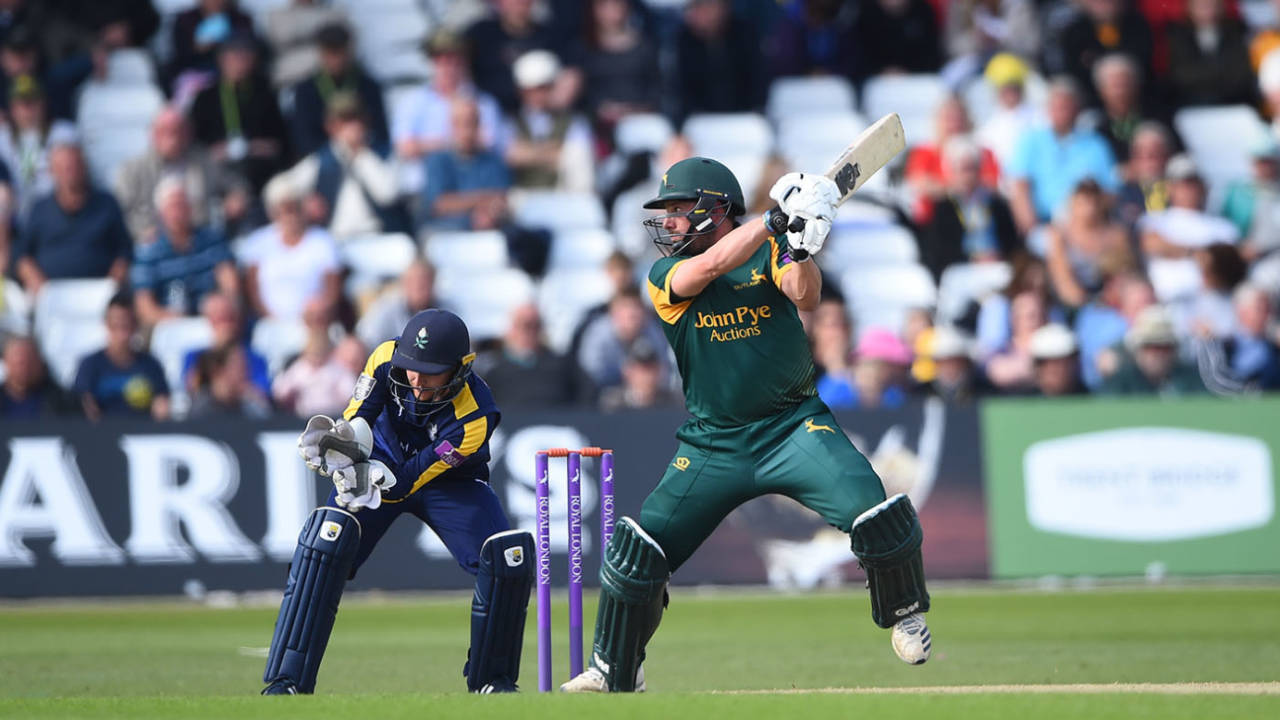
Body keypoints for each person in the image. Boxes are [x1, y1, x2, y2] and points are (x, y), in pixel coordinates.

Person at [560, 157, 932, 693]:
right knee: (638, 550)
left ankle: (904, 611)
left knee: (874, 509)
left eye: (678, 210)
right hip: (715, 442)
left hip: (792, 425)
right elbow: (704, 271)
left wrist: (799, 247)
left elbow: (805, 294)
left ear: (714, 210)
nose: (667, 222)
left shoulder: (772, 247)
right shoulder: (664, 275)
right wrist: (774, 218)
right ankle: (615, 667)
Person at [261, 309, 535, 695]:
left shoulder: (475, 416)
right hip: (380, 458)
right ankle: (287, 681)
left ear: (460, 368)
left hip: (448, 481)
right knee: (325, 544)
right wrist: (347, 451)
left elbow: (412, 479)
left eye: (431, 369)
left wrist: (378, 480)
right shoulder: (384, 357)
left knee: (505, 558)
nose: (416, 378)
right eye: (410, 367)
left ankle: (493, 681)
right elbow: (358, 417)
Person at [115, 107, 249, 243]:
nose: (173, 139)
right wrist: (140, 230)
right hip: (154, 245)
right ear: (153, 135)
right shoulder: (132, 171)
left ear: (188, 134)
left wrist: (236, 197)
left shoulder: (205, 161)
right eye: (165, 132)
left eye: (178, 131)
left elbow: (237, 185)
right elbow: (118, 212)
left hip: (203, 237)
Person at [280, 92, 404, 239]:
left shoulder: (383, 152)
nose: (353, 126)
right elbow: (279, 190)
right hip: (336, 239)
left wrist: (361, 154)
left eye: (356, 119)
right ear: (331, 126)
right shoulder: (320, 161)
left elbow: (388, 194)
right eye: (345, 121)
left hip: (380, 235)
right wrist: (304, 202)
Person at [12, 142, 131, 294]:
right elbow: (22, 255)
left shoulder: (106, 204)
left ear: (84, 167)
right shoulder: (39, 208)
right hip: (51, 294)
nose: (71, 172)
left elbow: (124, 251)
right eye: (64, 168)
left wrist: (112, 285)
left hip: (98, 293)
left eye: (75, 166)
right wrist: (38, 284)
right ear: (52, 171)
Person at [1007, 77, 1117, 235]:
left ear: (1077, 109)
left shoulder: (1096, 144)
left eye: (1067, 106)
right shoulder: (1029, 141)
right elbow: (1020, 187)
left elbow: (1110, 191)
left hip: (1089, 226)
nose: (1062, 112)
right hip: (1044, 225)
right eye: (1057, 107)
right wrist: (1031, 228)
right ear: (1047, 109)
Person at [130, 176, 239, 327]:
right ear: (161, 213)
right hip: (170, 322)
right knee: (175, 291)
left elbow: (230, 283)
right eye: (173, 206)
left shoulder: (212, 239)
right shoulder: (149, 251)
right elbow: (144, 305)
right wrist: (174, 318)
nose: (178, 212)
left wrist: (221, 304)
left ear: (190, 208)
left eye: (182, 205)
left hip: (212, 317)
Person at [189, 32, 289, 193]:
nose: (239, 63)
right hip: (217, 166)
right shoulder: (206, 98)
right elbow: (194, 141)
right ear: (222, 60)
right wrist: (214, 151)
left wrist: (259, 146)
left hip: (258, 166)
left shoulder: (265, 94)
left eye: (245, 57)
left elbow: (280, 141)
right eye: (234, 57)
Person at [917, 136, 1020, 283]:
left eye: (972, 168)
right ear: (951, 171)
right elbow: (937, 252)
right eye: (962, 170)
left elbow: (1012, 242)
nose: (967, 176)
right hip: (961, 273)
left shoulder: (996, 204)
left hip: (999, 269)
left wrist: (997, 256)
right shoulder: (943, 207)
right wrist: (973, 259)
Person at [240, 174, 342, 322]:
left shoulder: (322, 242)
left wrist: (316, 316)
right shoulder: (258, 243)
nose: (292, 215)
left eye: (296, 208)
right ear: (273, 212)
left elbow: (332, 292)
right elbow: (252, 292)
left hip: (314, 323)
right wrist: (270, 319)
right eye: (286, 209)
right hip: (271, 324)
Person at [285, 23, 388, 159]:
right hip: (322, 157)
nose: (335, 59)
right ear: (321, 53)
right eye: (330, 53)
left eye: (339, 52)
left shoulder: (368, 86)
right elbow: (304, 139)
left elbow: (380, 133)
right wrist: (338, 148)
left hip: (362, 154)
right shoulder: (306, 90)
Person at [504, 50, 594, 192]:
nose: (538, 95)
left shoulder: (574, 121)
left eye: (544, 88)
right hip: (521, 197)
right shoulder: (510, 121)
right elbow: (510, 156)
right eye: (531, 90)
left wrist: (529, 152)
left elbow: (577, 158)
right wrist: (555, 151)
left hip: (562, 197)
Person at [72, 292, 170, 421]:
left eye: (125, 326)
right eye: (115, 325)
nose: (121, 333)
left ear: (135, 325)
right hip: (102, 434)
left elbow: (161, 404)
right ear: (107, 324)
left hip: (143, 434)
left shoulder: (151, 365)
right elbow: (84, 404)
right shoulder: (90, 365)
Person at [418, 98, 511, 232]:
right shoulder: (437, 160)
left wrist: (488, 213)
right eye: (459, 123)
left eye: (471, 123)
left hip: (488, 231)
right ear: (450, 125)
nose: (466, 130)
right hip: (445, 232)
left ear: (479, 125)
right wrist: (482, 201)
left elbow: (501, 198)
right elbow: (439, 204)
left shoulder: (493, 161)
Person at [904, 95, 1000, 224]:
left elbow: (992, 184)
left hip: (976, 222)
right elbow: (919, 185)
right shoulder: (924, 153)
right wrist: (957, 187)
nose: (954, 125)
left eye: (959, 119)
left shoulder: (983, 153)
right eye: (948, 119)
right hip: (935, 223)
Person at [475, 302, 585, 407]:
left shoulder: (564, 366)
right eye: (524, 325)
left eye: (535, 325)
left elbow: (588, 398)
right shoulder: (490, 370)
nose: (529, 332)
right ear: (509, 328)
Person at [1044, 179, 1132, 309]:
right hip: (1072, 303)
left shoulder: (1116, 235)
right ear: (1073, 204)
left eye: (1093, 202)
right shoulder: (1060, 235)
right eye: (1083, 202)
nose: (1089, 208)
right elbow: (1062, 280)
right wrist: (1085, 305)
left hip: (1111, 300)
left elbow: (1125, 275)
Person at [0, 73, 77, 220]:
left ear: (43, 102)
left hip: (56, 210)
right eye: (22, 103)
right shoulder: (3, 137)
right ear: (12, 107)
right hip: (15, 213)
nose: (28, 109)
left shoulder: (63, 131)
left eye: (32, 101)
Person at [675, 0, 765, 118]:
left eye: (705, 7)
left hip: (744, 117)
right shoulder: (684, 40)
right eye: (694, 8)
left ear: (722, 8)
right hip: (699, 119)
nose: (696, 14)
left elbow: (758, 82)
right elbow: (680, 90)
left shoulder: (745, 34)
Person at [575, 285, 667, 391]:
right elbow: (589, 375)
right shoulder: (598, 336)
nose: (633, 314)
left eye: (637, 308)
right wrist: (628, 376)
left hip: (646, 396)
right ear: (614, 313)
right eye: (627, 309)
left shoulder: (653, 331)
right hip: (602, 396)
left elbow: (663, 371)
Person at [1166, 0, 1255, 108]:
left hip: (1232, 103)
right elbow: (1181, 75)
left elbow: (1242, 74)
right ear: (1189, 8)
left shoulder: (1235, 30)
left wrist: (1204, 72)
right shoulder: (1178, 34)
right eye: (1202, 6)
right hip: (1191, 104)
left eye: (1213, 5)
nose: (1208, 11)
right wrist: (1221, 71)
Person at [1099, 305, 1205, 395]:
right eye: (1151, 347)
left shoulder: (1190, 379)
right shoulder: (1121, 382)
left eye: (1166, 347)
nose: (1159, 354)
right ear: (1138, 349)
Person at [181, 291, 270, 397]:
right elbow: (192, 388)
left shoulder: (254, 357)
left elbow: (262, 393)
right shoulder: (195, 356)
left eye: (228, 317)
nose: (224, 323)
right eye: (218, 318)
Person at [355, 259, 438, 351]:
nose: (418, 287)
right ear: (404, 283)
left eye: (424, 282)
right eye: (413, 282)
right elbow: (366, 340)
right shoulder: (386, 307)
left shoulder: (445, 311)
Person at [188, 342, 272, 418]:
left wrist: (259, 401)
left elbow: (264, 420)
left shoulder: (248, 404)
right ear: (219, 369)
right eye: (239, 367)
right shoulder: (202, 407)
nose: (246, 372)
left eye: (246, 367)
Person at [0, 334, 74, 418]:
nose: (25, 368)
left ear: (40, 361)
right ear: (6, 362)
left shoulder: (63, 402)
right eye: (20, 363)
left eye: (30, 361)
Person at [598, 337, 681, 411]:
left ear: (659, 371)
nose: (645, 376)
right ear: (627, 371)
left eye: (650, 369)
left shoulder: (671, 403)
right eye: (639, 370)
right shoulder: (613, 404)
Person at [1028, 323, 1086, 396]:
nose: (1055, 369)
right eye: (1047, 362)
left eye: (1061, 362)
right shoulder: (1020, 399)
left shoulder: (1094, 398)